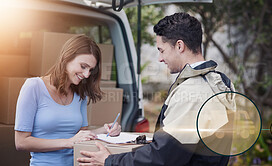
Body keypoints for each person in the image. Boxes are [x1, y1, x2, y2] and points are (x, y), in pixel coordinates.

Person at [77, 12, 235, 166]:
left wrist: (110, 161)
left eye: (161, 50)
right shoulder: (219, 81)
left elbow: (164, 157)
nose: (160, 58)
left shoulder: (192, 92)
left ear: (179, 46)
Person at [14, 35, 122, 166]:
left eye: (90, 70)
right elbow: (21, 142)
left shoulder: (80, 94)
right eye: (83, 66)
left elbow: (81, 136)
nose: (87, 74)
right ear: (67, 58)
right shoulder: (33, 87)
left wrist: (105, 130)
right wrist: (68, 142)